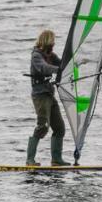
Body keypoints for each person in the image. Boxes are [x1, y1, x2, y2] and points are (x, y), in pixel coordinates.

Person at [28, 29, 66, 166]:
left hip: (49, 94)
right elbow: (44, 68)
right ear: (46, 41)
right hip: (40, 96)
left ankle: (56, 160)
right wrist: (58, 70)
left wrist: (78, 62)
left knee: (59, 128)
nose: (53, 44)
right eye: (52, 42)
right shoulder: (36, 56)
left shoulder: (51, 55)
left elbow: (62, 64)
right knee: (43, 126)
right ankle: (29, 160)